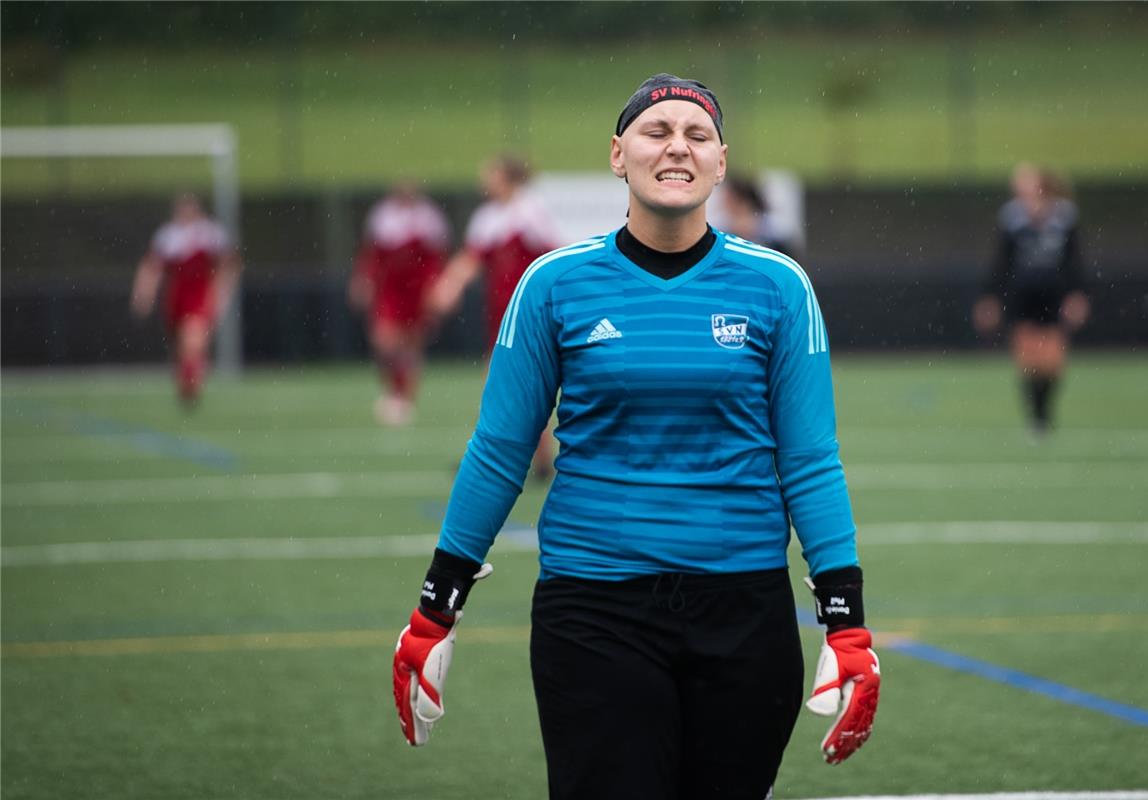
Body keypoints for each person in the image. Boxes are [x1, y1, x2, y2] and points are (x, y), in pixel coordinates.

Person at [392, 74, 881, 800]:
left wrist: (848, 624)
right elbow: (498, 452)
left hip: (745, 615)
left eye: (697, 134)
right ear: (618, 155)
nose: (676, 146)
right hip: (593, 613)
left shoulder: (778, 286)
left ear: (720, 162)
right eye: (657, 132)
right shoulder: (552, 284)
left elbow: (809, 460)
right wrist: (435, 608)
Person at [429, 154, 561, 477]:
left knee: (508, 384)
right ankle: (537, 459)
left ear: (507, 178)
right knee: (518, 386)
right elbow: (473, 257)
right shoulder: (488, 217)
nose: (485, 179)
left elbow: (554, 254)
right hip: (502, 312)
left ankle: (502, 459)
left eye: (492, 173)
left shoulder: (529, 211)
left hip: (530, 312)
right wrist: (450, 284)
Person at [973, 163, 1089, 437]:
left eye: (1024, 183)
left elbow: (1075, 261)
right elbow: (1001, 263)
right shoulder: (1012, 218)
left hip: (1053, 294)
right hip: (1022, 295)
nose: (1018, 189)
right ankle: (1036, 419)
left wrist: (1077, 295)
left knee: (1052, 362)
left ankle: (1045, 411)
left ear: (1041, 186)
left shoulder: (1063, 217)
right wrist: (990, 299)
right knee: (1028, 359)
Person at [349, 182, 452, 426]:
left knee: (412, 343)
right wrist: (363, 280)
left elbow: (436, 257)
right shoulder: (382, 215)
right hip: (390, 287)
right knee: (384, 340)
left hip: (416, 288)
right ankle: (393, 389)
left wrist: (436, 286)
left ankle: (405, 397)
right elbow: (371, 255)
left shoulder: (428, 217)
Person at [129, 193, 241, 408]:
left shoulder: (210, 234)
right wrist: (144, 294)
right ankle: (188, 382)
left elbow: (230, 263)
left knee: (193, 342)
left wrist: (223, 291)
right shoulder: (169, 236)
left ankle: (193, 385)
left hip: (200, 296)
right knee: (182, 349)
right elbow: (152, 267)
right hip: (176, 298)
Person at [719, 173, 799, 257]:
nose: (723, 202)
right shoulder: (724, 230)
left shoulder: (774, 232)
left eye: (728, 198)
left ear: (741, 200)